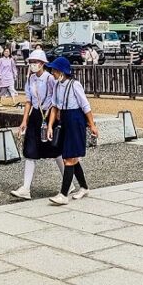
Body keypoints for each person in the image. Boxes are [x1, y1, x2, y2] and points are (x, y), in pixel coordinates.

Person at [44, 57, 100, 205]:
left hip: (75, 119)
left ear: (62, 72)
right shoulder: (56, 86)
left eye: (55, 70)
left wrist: (92, 124)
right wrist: (50, 125)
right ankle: (84, 187)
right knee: (70, 157)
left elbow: (85, 106)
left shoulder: (75, 85)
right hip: (64, 120)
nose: (53, 73)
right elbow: (54, 107)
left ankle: (63, 194)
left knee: (69, 158)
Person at [11, 51, 64, 199]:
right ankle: (26, 188)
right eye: (31, 61)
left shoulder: (50, 79)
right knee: (30, 150)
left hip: (49, 115)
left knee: (55, 149)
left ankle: (69, 182)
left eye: (36, 61)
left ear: (42, 63)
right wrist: (24, 120)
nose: (33, 64)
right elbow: (28, 101)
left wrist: (52, 123)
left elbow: (55, 101)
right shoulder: (30, 79)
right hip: (36, 115)